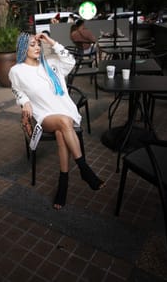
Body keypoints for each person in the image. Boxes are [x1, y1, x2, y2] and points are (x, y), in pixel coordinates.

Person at [9, 32, 105, 210]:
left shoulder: (51, 63)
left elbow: (71, 61)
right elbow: (17, 90)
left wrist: (51, 41)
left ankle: (63, 183)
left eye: (38, 44)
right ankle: (84, 168)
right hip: (44, 115)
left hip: (64, 110)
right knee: (63, 122)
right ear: (23, 48)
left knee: (62, 132)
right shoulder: (17, 71)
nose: (37, 47)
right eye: (32, 44)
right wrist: (25, 102)